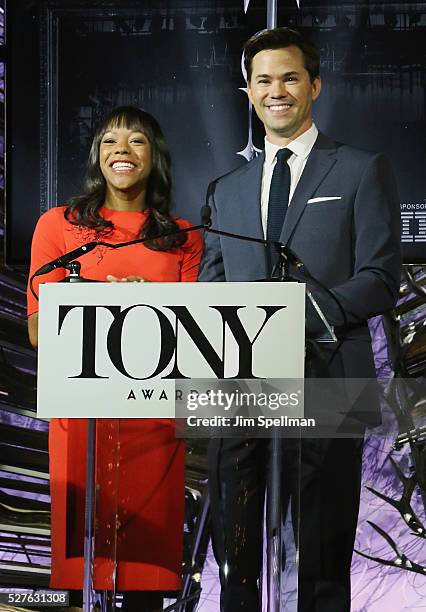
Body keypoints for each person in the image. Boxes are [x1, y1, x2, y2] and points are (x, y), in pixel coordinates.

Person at [200, 28, 402, 612]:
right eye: (263, 80)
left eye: (289, 77)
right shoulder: (226, 188)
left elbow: (380, 277)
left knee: (322, 549)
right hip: (238, 390)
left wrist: (300, 318)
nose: (277, 90)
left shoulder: (363, 169)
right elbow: (212, 287)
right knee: (234, 554)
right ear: (248, 93)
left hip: (331, 378)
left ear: (314, 84)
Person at [27, 106, 203, 611]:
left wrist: (151, 302)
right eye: (109, 141)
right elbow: (40, 331)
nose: (121, 150)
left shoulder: (184, 237)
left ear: (156, 157)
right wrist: (105, 302)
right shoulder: (59, 226)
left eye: (137, 141)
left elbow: (197, 335)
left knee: (148, 581)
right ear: (96, 157)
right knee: (85, 576)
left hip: (154, 421)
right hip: (83, 421)